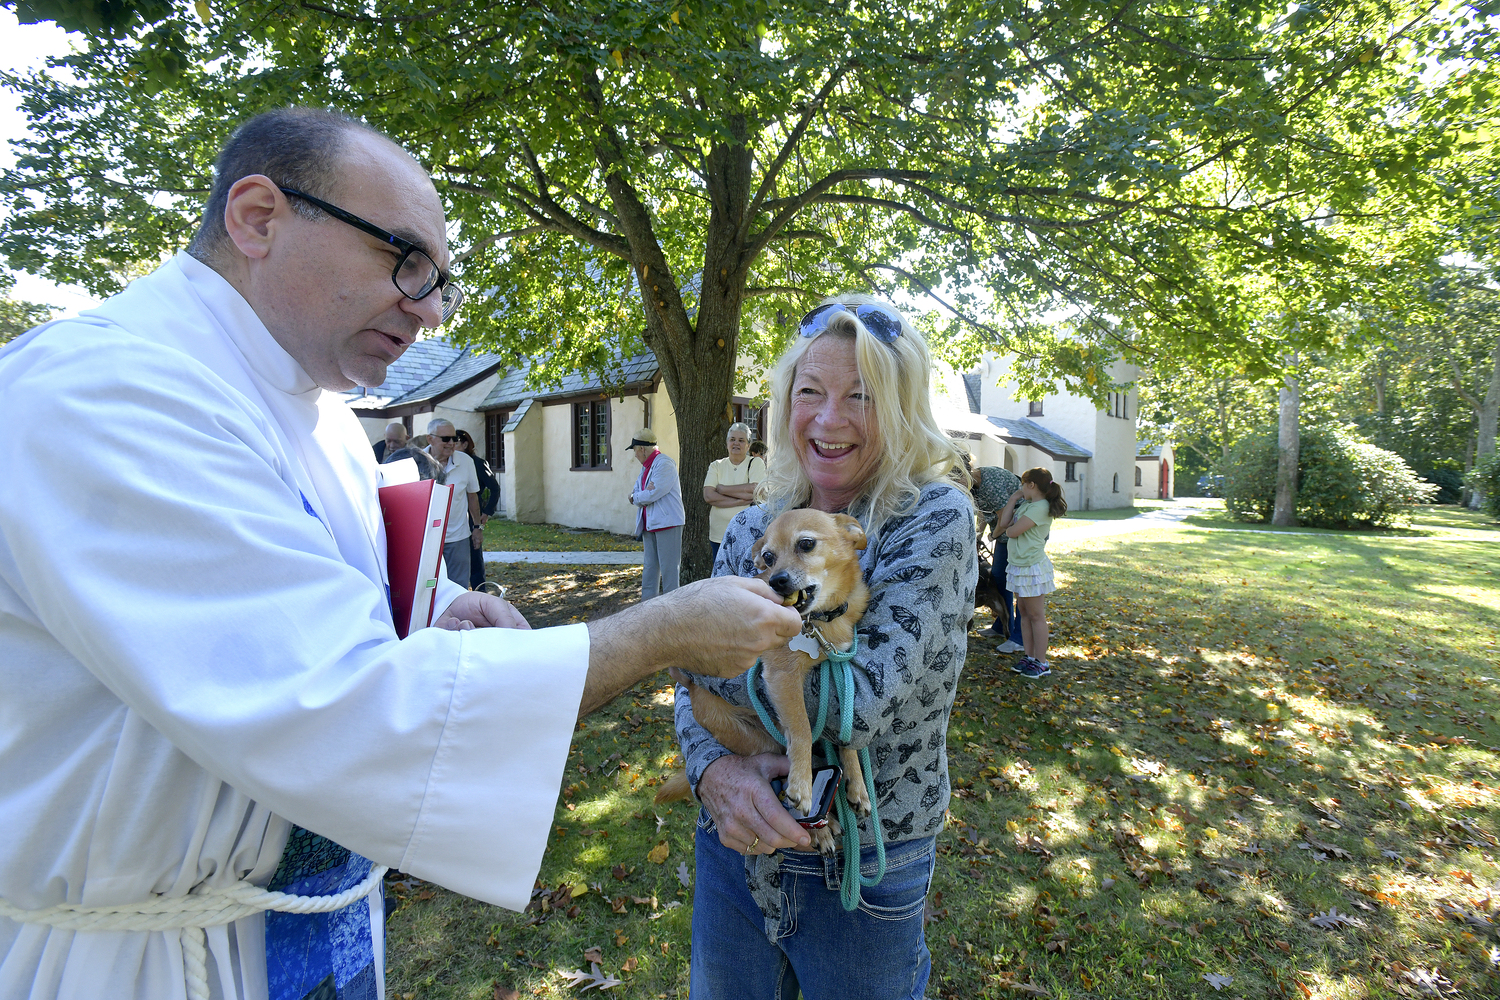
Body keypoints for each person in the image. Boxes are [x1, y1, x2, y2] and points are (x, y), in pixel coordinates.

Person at [0, 106, 804, 1000]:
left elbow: (306, 634)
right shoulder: (109, 393)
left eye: (439, 283)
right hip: (143, 959)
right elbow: (329, 709)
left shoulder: (331, 426)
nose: (425, 311)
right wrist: (657, 634)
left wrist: (426, 627)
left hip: (309, 920)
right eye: (404, 259)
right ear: (259, 216)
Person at [672, 296, 977, 1000]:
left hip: (866, 866)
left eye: (861, 397)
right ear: (785, 404)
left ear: (901, 409)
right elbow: (689, 693)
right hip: (736, 846)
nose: (829, 419)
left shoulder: (930, 519)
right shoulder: (755, 522)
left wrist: (682, 644)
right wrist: (712, 772)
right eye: (810, 392)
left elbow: (855, 707)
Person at [995, 466, 1068, 678]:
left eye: (1023, 485)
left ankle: (1042, 662)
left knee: (1036, 616)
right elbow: (1004, 523)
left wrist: (1007, 529)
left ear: (1032, 485)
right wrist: (1012, 500)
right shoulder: (1027, 505)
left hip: (1032, 568)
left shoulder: (1040, 508)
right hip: (1019, 566)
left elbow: (1011, 531)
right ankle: (1029, 657)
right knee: (1024, 614)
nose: (1021, 490)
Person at [966, 455, 1024, 651]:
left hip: (1019, 534)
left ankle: (1018, 637)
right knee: (999, 579)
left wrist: (993, 536)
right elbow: (982, 513)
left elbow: (1003, 518)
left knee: (1020, 584)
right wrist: (978, 536)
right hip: (1004, 534)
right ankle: (1001, 626)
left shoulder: (990, 483)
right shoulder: (974, 486)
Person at [424, 418, 483, 588]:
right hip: (426, 537)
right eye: (445, 439)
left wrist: (478, 528)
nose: (451, 443)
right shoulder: (417, 461)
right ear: (430, 439)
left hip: (458, 537)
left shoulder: (465, 462)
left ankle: (458, 615)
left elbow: (473, 497)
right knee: (427, 588)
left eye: (454, 438)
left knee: (458, 587)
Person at [628, 429, 685, 600]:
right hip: (650, 524)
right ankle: (647, 608)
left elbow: (651, 494)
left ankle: (671, 610)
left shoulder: (665, 464)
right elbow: (638, 492)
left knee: (669, 570)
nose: (635, 455)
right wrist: (639, 495)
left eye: (635, 451)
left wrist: (636, 497)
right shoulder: (646, 467)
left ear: (642, 449)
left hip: (668, 523)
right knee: (650, 568)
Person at [703, 421, 766, 565]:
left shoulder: (756, 463)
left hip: (749, 534)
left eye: (741, 440)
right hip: (719, 535)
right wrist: (739, 500)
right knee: (722, 579)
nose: (736, 443)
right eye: (732, 439)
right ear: (726, 443)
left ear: (748, 445)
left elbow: (756, 490)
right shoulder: (716, 466)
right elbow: (708, 496)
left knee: (747, 576)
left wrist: (723, 489)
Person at [455, 428, 500, 590]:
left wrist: (487, 512)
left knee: (474, 555)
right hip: (454, 516)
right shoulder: (448, 463)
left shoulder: (476, 463)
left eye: (455, 442)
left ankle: (480, 592)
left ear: (465, 444)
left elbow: (495, 488)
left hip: (471, 514)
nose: (451, 445)